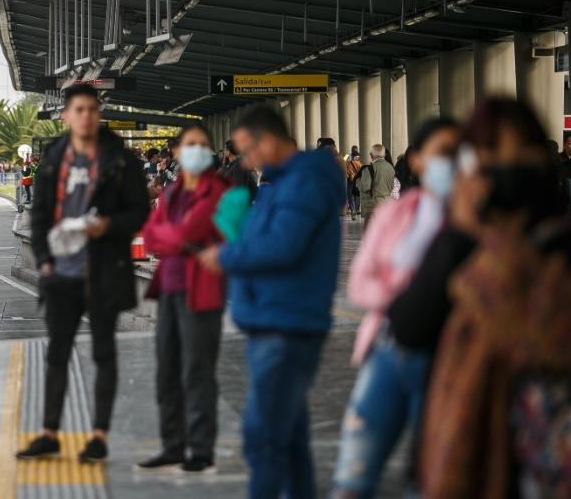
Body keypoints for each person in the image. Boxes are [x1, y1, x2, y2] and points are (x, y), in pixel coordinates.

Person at [412, 99, 571, 498]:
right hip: (475, 454)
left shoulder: (560, 246)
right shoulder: (460, 245)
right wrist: (459, 235)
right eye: (490, 154)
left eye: (519, 153)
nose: (505, 166)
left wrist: (494, 247)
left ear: (542, 160)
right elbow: (410, 325)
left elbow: (537, 342)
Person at [198, 105, 345, 499]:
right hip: (272, 320)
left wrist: (225, 257)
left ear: (268, 141)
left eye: (248, 150)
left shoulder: (304, 184)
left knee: (263, 437)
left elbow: (282, 247)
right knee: (288, 435)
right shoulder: (280, 184)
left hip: (288, 324)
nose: (246, 160)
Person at [18, 83, 150, 462]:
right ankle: (49, 433)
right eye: (79, 109)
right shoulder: (55, 157)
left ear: (99, 113)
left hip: (103, 269)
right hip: (61, 272)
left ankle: (98, 435)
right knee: (57, 352)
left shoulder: (120, 158)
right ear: (66, 115)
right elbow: (40, 213)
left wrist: (106, 225)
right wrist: (43, 259)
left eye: (92, 109)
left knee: (104, 351)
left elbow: (138, 211)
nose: (86, 116)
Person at [330, 118, 462, 498]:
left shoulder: (476, 220)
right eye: (442, 154)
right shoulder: (396, 215)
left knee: (429, 474)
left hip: (447, 358)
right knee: (354, 470)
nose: (451, 163)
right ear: (418, 160)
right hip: (389, 348)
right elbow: (359, 284)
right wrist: (411, 296)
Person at [138, 123, 230, 474]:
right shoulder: (173, 191)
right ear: (176, 152)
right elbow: (151, 236)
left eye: (201, 145)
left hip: (202, 291)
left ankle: (201, 448)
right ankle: (173, 444)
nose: (194, 151)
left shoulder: (216, 190)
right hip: (170, 289)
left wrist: (172, 236)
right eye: (188, 145)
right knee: (167, 369)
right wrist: (174, 237)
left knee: (196, 370)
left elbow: (190, 231)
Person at [356, 144, 395, 224]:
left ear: (371, 155)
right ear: (384, 154)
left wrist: (358, 182)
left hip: (373, 205)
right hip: (387, 204)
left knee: (371, 233)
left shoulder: (369, 169)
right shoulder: (390, 168)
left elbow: (365, 187)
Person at [345, 149, 362, 219]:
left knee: (350, 196)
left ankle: (353, 210)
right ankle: (357, 209)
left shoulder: (349, 163)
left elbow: (343, 161)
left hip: (350, 181)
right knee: (357, 195)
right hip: (358, 181)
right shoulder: (361, 164)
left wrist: (347, 155)